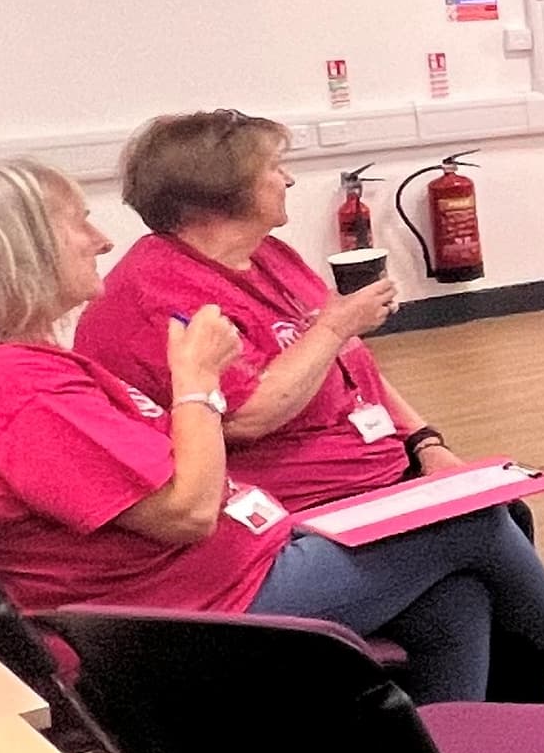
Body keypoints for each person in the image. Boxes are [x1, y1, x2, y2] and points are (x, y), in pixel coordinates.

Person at [0, 161, 544, 706]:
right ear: (11, 252)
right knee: (471, 518)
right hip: (192, 616)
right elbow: (187, 511)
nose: (99, 239)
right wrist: (196, 384)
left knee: (453, 589)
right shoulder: (7, 388)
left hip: (211, 575)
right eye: (74, 223)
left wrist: (415, 440)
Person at [73, 110, 444, 512]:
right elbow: (249, 416)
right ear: (220, 190)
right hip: (297, 504)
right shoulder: (159, 292)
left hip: (378, 468)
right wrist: (336, 326)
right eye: (273, 167)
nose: (289, 180)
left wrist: (424, 441)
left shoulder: (269, 253)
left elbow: (351, 366)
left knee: (485, 508)